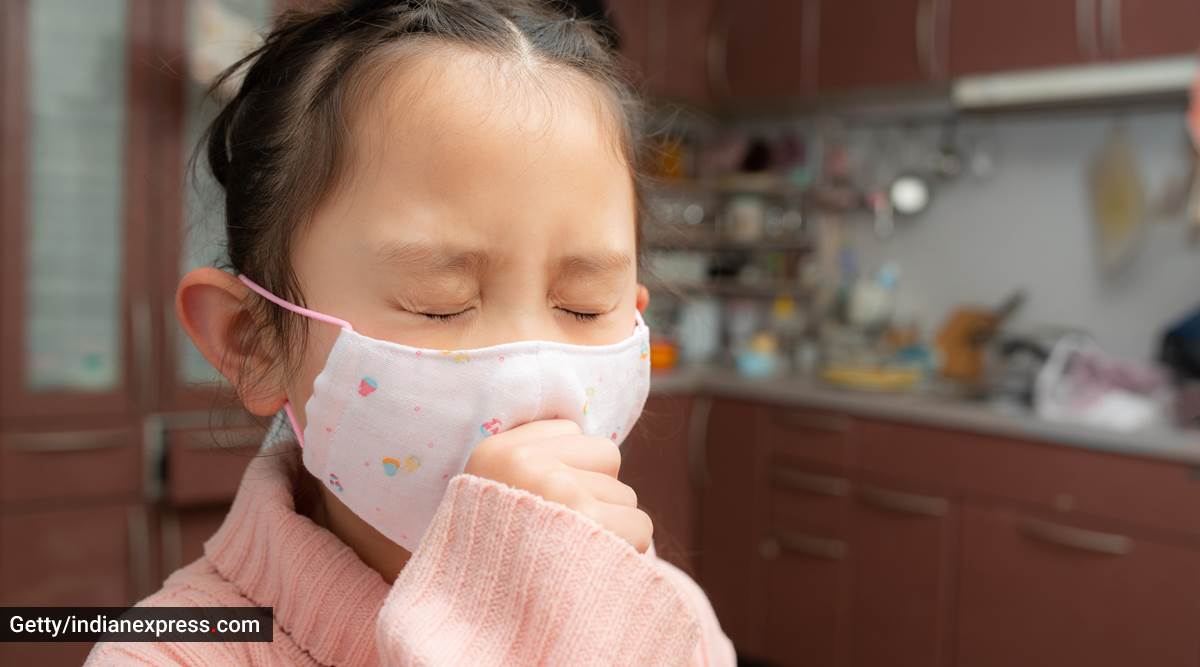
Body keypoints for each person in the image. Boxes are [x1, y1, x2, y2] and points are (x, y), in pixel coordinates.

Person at [86, 0, 734, 664]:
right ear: (254, 341)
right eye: (440, 304)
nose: (537, 384)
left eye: (585, 305)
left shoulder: (672, 615)